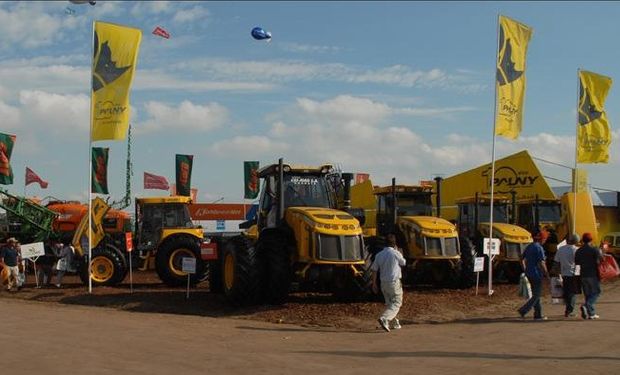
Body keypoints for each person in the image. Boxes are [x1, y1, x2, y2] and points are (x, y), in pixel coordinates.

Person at [371, 232, 406, 332]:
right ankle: (385, 318)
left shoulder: (379, 255)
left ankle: (395, 322)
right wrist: (399, 252)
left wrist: (374, 283)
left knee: (390, 303)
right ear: (394, 244)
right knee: (397, 303)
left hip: (383, 283)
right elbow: (403, 262)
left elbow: (374, 269)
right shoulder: (396, 253)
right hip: (394, 282)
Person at [518, 230, 549, 321]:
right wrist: (546, 274)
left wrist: (524, 268)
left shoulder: (530, 246)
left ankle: (538, 314)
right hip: (536, 273)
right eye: (545, 239)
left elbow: (521, 258)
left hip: (529, 272)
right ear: (542, 239)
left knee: (536, 294)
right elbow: (542, 262)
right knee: (537, 294)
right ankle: (524, 310)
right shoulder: (539, 248)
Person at [575, 232, 603, 320]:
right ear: (591, 240)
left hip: (583, 274)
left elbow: (577, 262)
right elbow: (600, 260)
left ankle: (591, 313)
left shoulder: (579, 250)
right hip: (593, 274)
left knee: (587, 294)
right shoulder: (594, 249)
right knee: (596, 292)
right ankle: (587, 305)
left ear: (583, 240)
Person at [553, 234, 581, 317]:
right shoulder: (576, 250)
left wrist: (556, 273)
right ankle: (569, 311)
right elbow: (579, 263)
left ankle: (568, 309)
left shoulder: (560, 249)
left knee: (567, 292)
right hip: (574, 274)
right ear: (576, 241)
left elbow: (556, 262)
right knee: (572, 293)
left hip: (564, 274)